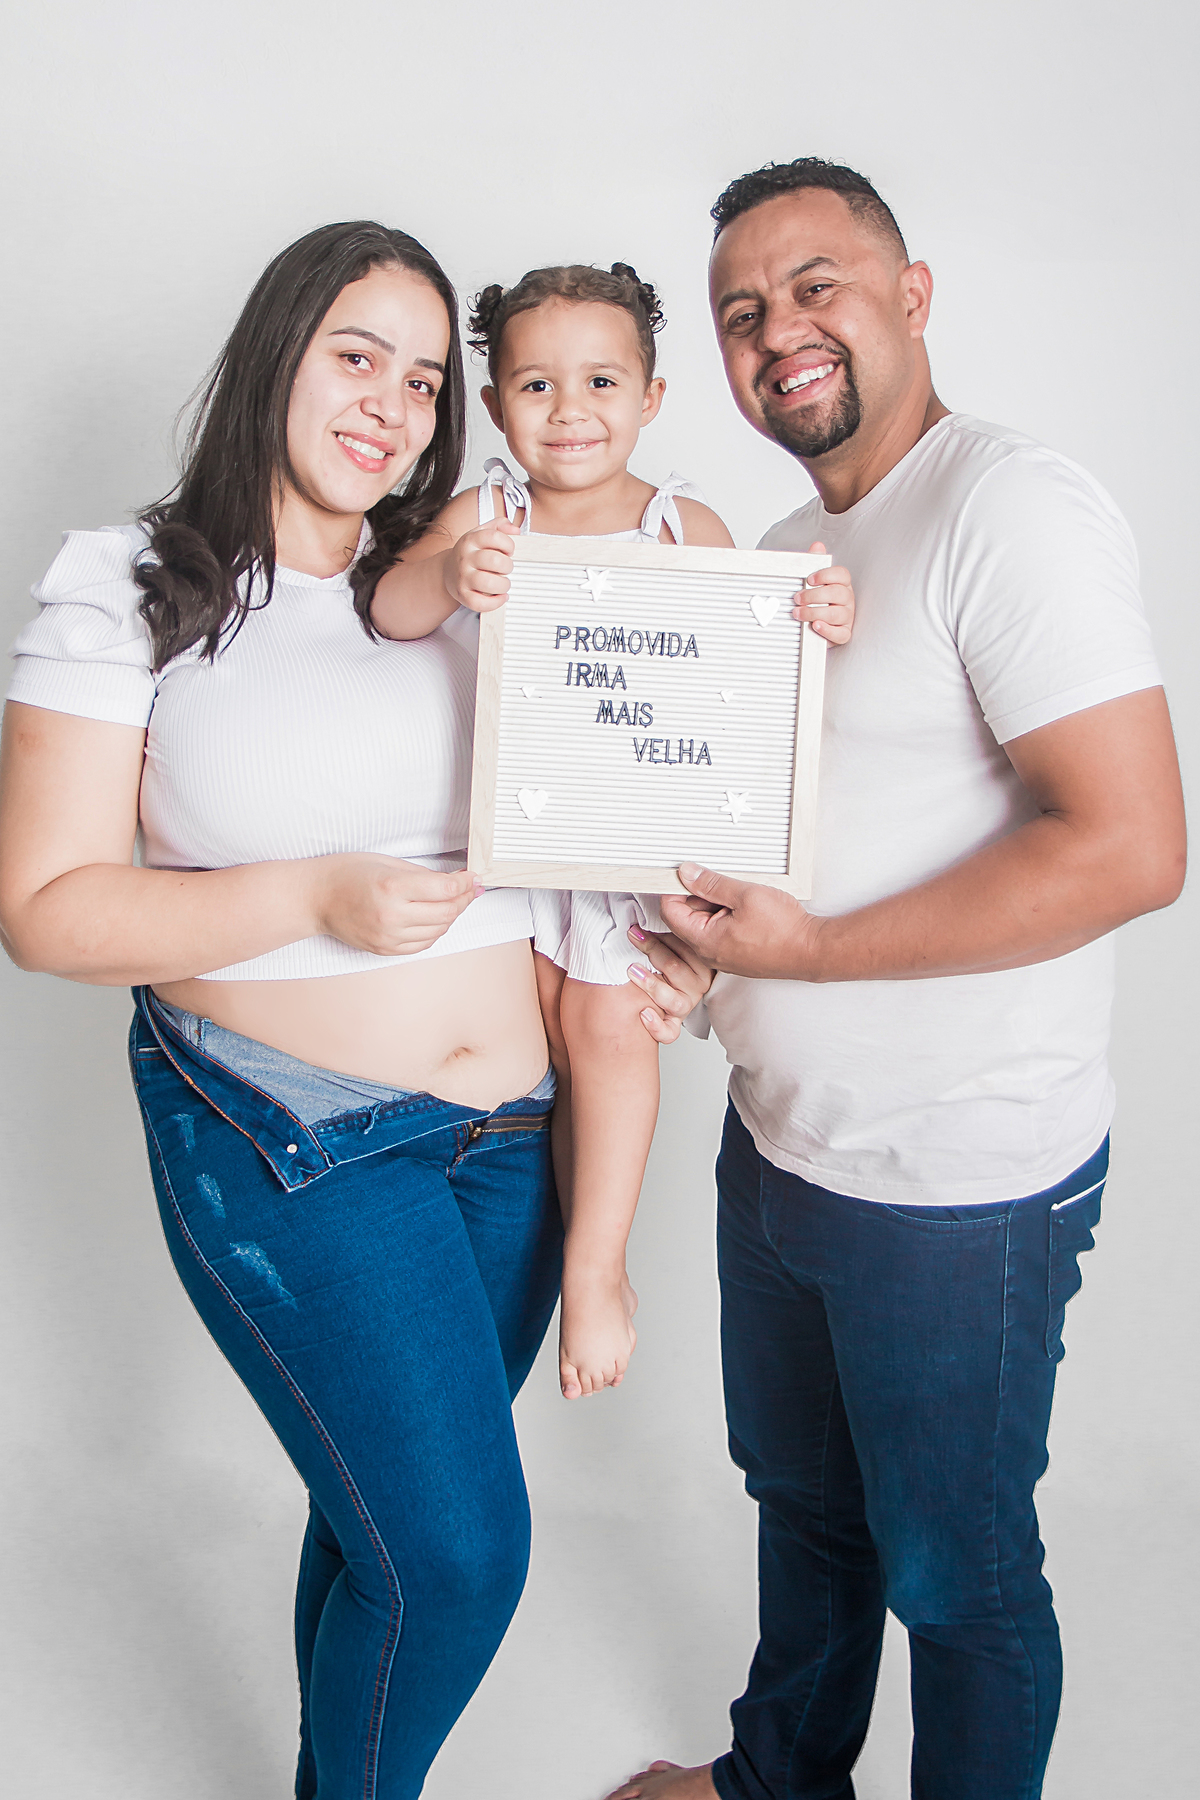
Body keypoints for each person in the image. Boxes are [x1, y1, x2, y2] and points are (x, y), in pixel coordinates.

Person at [605, 160, 1186, 1800]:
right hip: (781, 1148)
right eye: (741, 313)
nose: (778, 330)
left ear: (912, 294)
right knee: (805, 1510)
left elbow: (1132, 847)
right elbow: (799, 842)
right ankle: (777, 1783)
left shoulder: (1012, 506)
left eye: (817, 286)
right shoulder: (792, 554)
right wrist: (697, 962)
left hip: (955, 1187)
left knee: (957, 1580)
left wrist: (807, 954)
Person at [1, 219, 575, 1800]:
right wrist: (312, 898)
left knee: (379, 1525)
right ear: (277, 353)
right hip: (295, 1142)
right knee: (456, 1559)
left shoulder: (462, 584)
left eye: (423, 379)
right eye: (356, 356)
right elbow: (45, 911)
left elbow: (575, 814)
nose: (392, 403)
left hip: (519, 1143)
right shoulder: (131, 587)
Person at [369, 259, 856, 1404]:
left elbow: (750, 667)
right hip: (502, 834)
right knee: (540, 1053)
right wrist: (448, 574)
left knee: (608, 1029)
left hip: (622, 831)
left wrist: (814, 619)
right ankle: (545, 1260)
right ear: (495, 406)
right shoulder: (484, 516)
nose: (569, 410)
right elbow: (387, 609)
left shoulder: (681, 523)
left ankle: (599, 1267)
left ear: (651, 397)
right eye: (535, 385)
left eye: (600, 382)